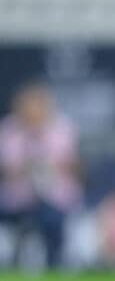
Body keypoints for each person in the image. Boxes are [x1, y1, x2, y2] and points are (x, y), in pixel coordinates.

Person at [0, 82, 82, 270]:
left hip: (55, 199)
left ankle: (55, 264)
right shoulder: (8, 130)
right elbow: (8, 171)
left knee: (51, 218)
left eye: (37, 107)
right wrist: (31, 164)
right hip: (16, 199)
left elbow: (71, 167)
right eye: (28, 108)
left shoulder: (62, 128)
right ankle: (15, 263)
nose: (32, 113)